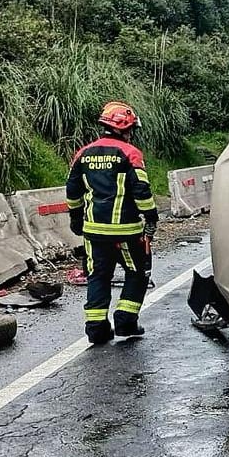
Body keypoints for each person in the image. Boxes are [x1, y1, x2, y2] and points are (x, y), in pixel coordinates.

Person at [66, 101, 158, 344]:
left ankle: (96, 329)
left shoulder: (82, 154)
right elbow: (142, 191)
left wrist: (76, 220)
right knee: (138, 272)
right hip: (127, 230)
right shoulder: (131, 154)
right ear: (126, 128)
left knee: (98, 276)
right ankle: (126, 321)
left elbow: (72, 192)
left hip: (94, 231)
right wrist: (151, 217)